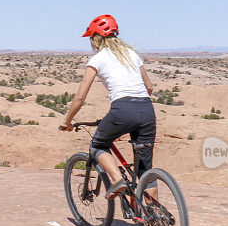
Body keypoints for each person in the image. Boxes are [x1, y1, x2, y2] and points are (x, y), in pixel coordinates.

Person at [59, 14, 157, 199]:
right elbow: (149, 87)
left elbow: (80, 96)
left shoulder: (97, 59)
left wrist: (68, 121)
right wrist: (137, 104)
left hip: (122, 110)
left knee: (97, 145)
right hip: (146, 109)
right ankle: (154, 220)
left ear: (96, 38)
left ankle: (117, 180)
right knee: (144, 169)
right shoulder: (132, 55)